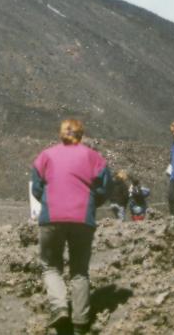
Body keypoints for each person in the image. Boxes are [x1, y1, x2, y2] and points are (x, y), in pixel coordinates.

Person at [31, 119, 112, 335]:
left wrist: (50, 200)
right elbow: (105, 187)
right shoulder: (93, 157)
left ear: (61, 134)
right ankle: (80, 323)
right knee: (79, 271)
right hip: (82, 218)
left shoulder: (46, 156)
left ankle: (59, 307)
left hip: (51, 217)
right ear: (81, 135)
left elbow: (36, 187)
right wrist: (92, 202)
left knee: (50, 266)